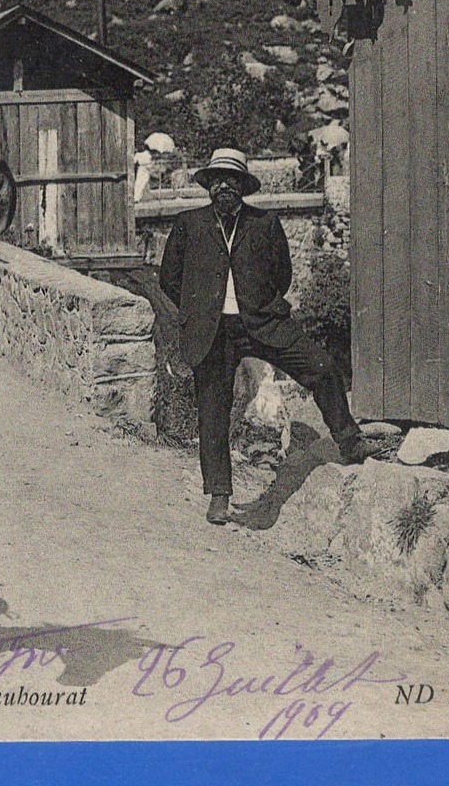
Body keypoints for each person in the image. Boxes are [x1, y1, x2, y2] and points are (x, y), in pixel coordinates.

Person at [159, 147, 374, 526]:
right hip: (211, 331)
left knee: (321, 366)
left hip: (262, 323)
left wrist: (257, 303)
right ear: (208, 185)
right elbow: (169, 279)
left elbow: (283, 276)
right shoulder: (188, 224)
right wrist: (198, 311)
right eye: (217, 180)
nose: (224, 186)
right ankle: (220, 495)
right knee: (212, 412)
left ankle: (348, 439)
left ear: (243, 186)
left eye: (232, 180)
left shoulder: (264, 224)